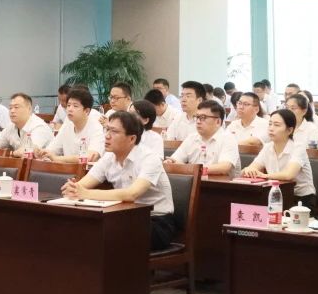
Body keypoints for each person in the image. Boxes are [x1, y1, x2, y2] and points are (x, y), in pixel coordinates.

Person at [62, 111, 175, 251]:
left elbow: (131, 194)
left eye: (114, 131)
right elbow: (81, 185)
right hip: (123, 217)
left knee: (104, 234)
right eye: (107, 129)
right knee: (78, 228)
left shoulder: (149, 158)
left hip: (156, 222)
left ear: (132, 138)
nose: (107, 136)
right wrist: (72, 188)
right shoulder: (108, 157)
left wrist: (85, 193)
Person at [242, 109, 316, 204]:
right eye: (270, 124)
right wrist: (249, 170)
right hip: (275, 196)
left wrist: (264, 176)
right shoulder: (267, 147)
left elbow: (288, 175)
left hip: (300, 199)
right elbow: (252, 168)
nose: (271, 128)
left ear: (289, 130)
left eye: (276, 125)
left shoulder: (298, 147)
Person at [166, 100, 241, 177]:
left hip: (220, 183)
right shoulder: (192, 138)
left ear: (218, 122)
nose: (198, 121)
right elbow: (174, 160)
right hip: (193, 182)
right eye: (197, 117)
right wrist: (169, 162)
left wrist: (189, 168)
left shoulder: (228, 138)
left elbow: (223, 167)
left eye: (203, 118)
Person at [39, 87, 104, 163]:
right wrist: (42, 152)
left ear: (86, 111)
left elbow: (90, 157)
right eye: (68, 105)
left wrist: (57, 158)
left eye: (75, 106)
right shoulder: (68, 123)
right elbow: (52, 148)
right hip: (66, 169)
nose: (70, 109)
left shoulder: (96, 126)